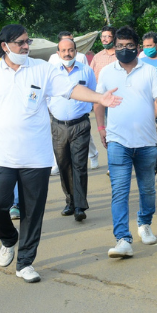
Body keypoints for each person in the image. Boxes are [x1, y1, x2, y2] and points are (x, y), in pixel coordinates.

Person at [0, 24, 120, 282]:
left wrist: (99, 98)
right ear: (5, 45)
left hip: (36, 157)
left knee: (32, 211)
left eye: (27, 41)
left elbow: (71, 89)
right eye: (20, 42)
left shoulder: (42, 69)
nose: (26, 46)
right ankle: (8, 239)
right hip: (1, 155)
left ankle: (25, 262)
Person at [94, 25, 157, 258]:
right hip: (118, 141)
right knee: (119, 190)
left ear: (136, 48)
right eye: (119, 46)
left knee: (147, 188)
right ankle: (122, 239)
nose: (124, 50)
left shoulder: (149, 71)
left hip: (147, 142)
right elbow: (98, 102)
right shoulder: (107, 73)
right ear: (114, 47)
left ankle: (144, 223)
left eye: (129, 46)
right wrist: (101, 128)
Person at [46, 33, 100, 219]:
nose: (67, 54)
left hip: (80, 124)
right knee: (63, 164)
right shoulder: (51, 72)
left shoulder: (86, 71)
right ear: (58, 52)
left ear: (76, 51)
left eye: (70, 50)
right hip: (58, 126)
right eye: (64, 51)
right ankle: (70, 201)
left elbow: (93, 93)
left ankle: (80, 206)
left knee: (79, 165)